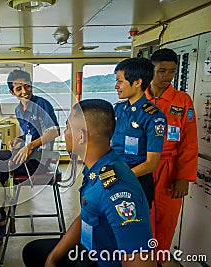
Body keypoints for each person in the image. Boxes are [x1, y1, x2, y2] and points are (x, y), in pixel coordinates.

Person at [22, 99, 155, 267]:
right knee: (33, 251)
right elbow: (87, 215)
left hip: (101, 261)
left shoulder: (117, 192)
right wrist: (53, 258)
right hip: (89, 248)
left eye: (68, 127)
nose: (65, 132)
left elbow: (141, 262)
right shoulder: (98, 167)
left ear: (81, 136)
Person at [145, 48, 198, 265]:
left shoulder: (182, 100)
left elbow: (189, 141)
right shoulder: (138, 97)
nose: (167, 76)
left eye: (172, 72)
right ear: (151, 71)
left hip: (170, 169)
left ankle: (158, 262)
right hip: (143, 167)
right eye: (161, 71)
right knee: (141, 218)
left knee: (166, 221)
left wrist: (183, 177)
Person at [0, 69, 60, 223]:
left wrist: (29, 146)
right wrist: (18, 139)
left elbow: (54, 131)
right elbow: (30, 134)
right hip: (27, 156)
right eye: (18, 89)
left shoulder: (42, 104)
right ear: (12, 92)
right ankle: (0, 208)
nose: (24, 91)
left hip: (39, 160)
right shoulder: (18, 110)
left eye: (27, 86)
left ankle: (0, 211)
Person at [111, 58, 167, 208]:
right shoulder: (118, 109)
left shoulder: (154, 117)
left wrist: (122, 177)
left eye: (120, 81)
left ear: (137, 82)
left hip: (137, 180)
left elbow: (151, 163)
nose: (116, 86)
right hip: (115, 172)